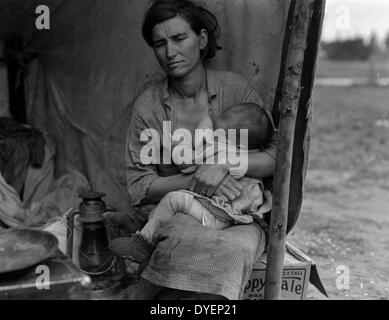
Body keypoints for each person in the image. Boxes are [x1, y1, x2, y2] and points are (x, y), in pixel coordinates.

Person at [117, 0, 278, 300]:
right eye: (159, 43)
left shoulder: (236, 91)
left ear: (201, 40)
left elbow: (277, 157)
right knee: (181, 243)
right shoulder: (150, 107)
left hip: (239, 215)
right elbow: (140, 185)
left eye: (179, 39)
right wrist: (197, 181)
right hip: (183, 213)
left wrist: (227, 166)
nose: (170, 52)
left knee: (235, 249)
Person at [110, 102, 273, 263]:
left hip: (216, 217)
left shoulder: (219, 150)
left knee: (173, 200)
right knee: (168, 211)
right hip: (232, 216)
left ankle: (143, 243)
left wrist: (202, 121)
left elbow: (186, 161)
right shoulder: (249, 158)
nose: (214, 135)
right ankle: (141, 229)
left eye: (218, 132)